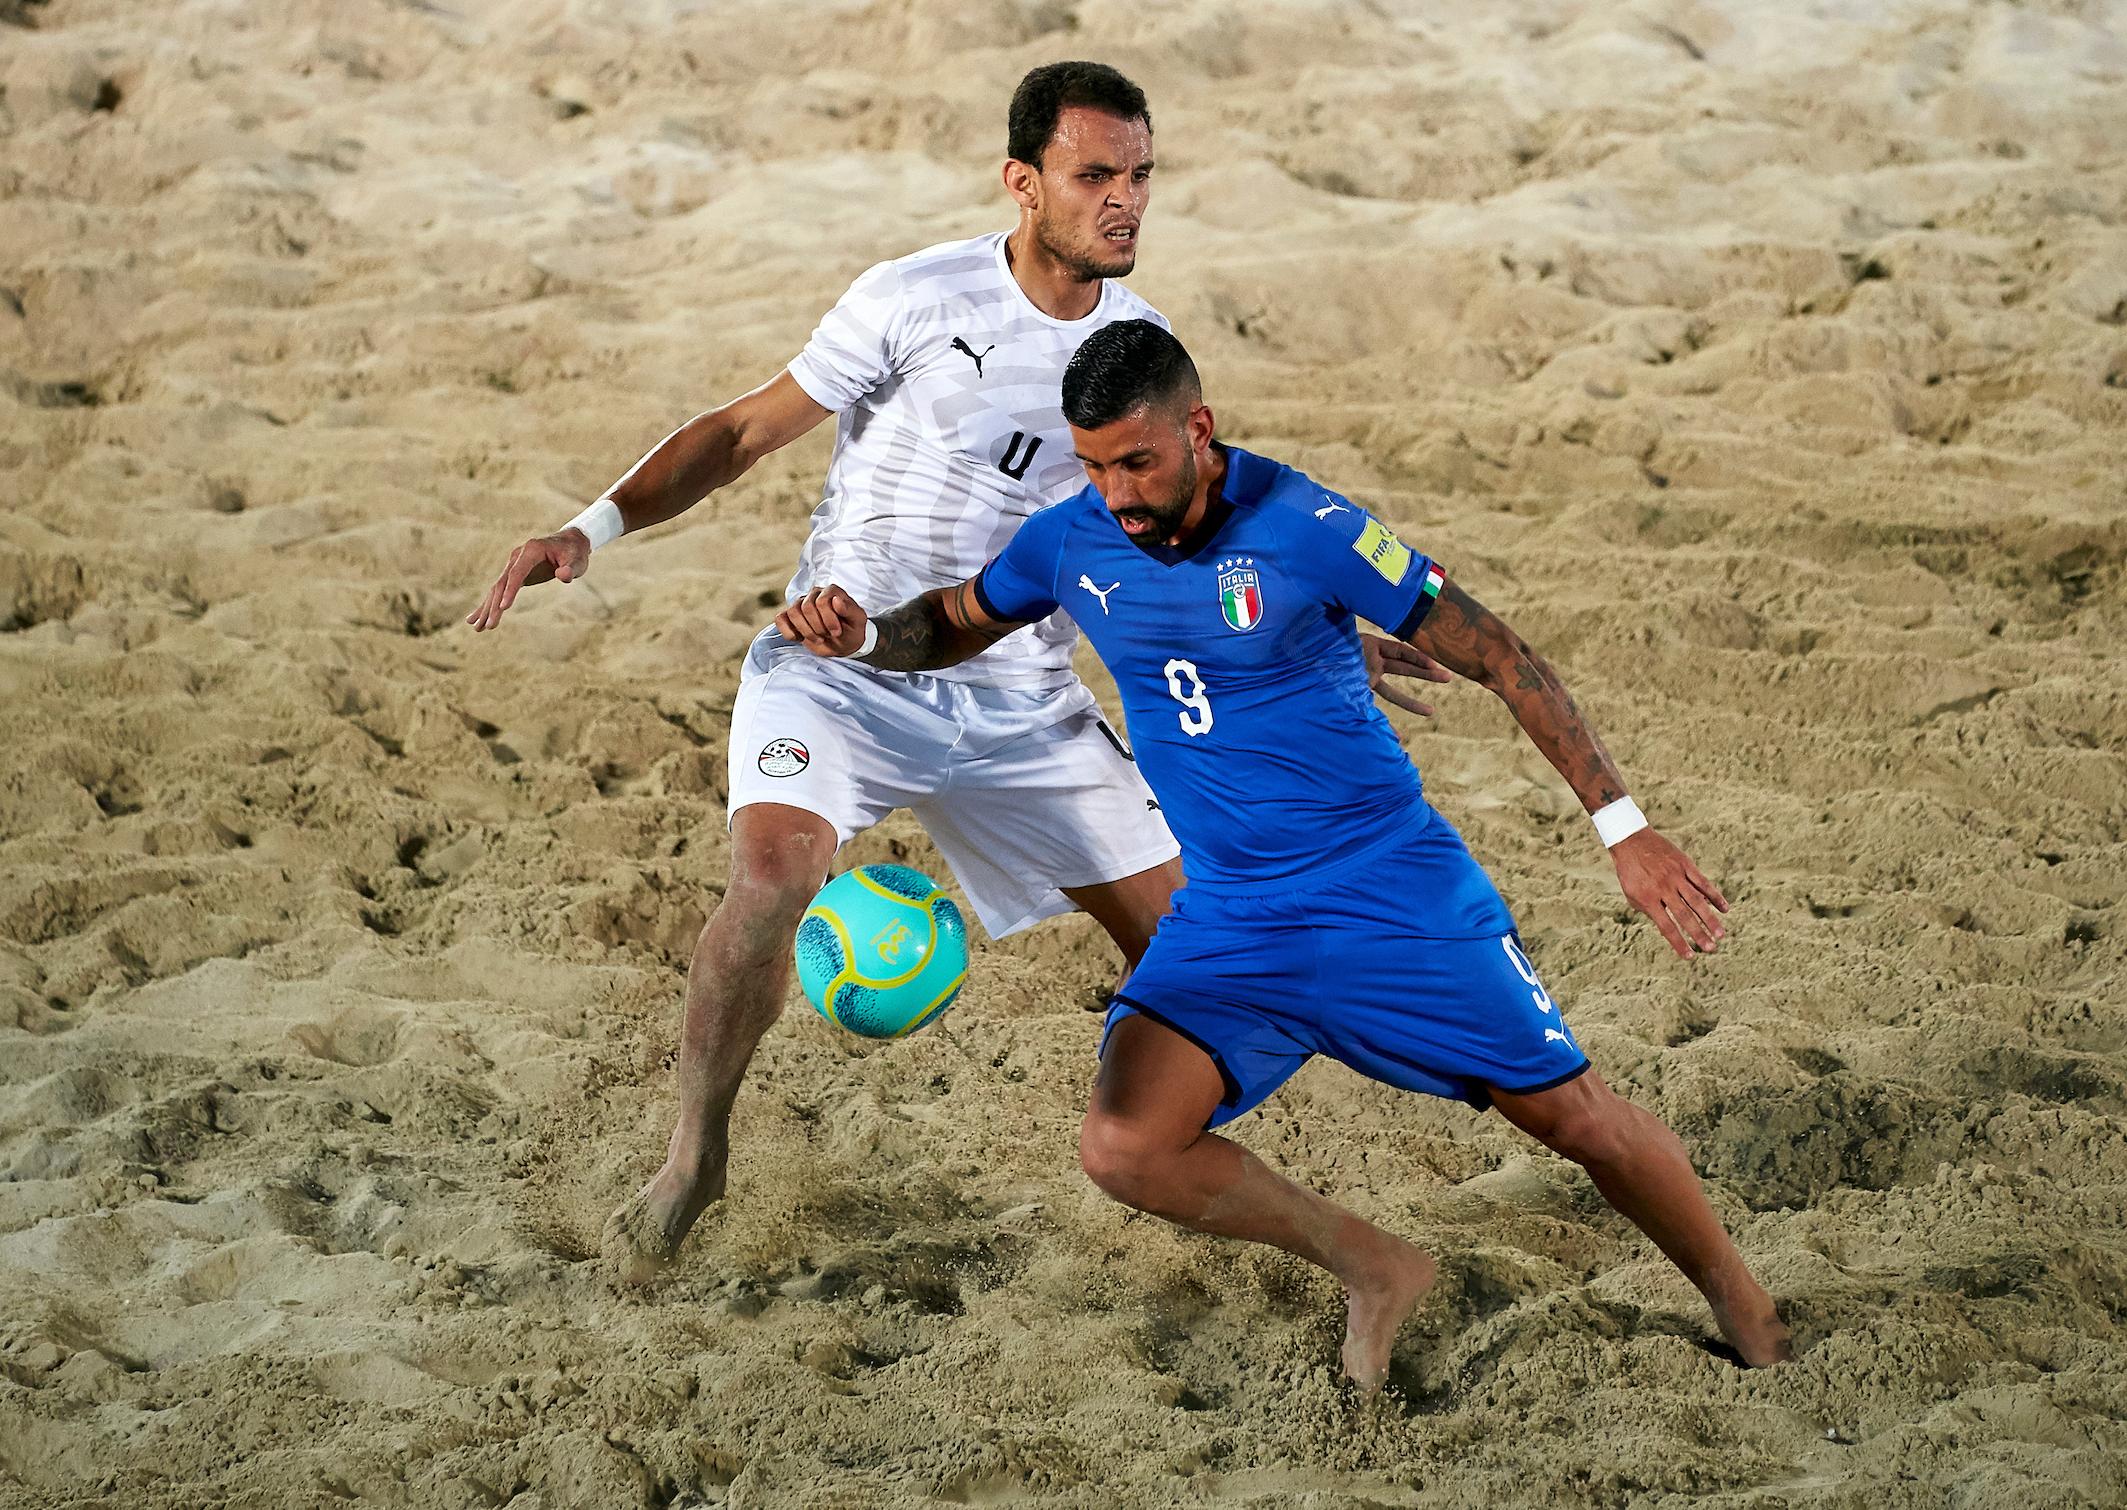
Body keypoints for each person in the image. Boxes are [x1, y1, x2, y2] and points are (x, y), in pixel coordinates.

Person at [464, 64, 1445, 1282]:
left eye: (1141, 174)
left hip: (1021, 702)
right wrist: (589, 529)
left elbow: (1185, 536)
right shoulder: (915, 296)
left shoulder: (1143, 354)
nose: (1126, 200)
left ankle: (1304, 1228)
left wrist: (1322, 631)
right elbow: (740, 430)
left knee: (1209, 963)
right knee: (771, 880)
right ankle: (693, 1155)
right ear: (1023, 182)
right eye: (1096, 175)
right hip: (843, 662)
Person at [774, 319, 1794, 1387]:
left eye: (1136, 463)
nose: (1116, 495)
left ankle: (1748, 1310)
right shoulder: (1070, 539)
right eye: (1093, 467)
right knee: (1124, 1146)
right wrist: (864, 637)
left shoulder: (1309, 527)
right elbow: (954, 620)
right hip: (1230, 917)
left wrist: (1625, 832)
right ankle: (1376, 1265)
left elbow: (1501, 654)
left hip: (1390, 893)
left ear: (1198, 430)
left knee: (1576, 1120)